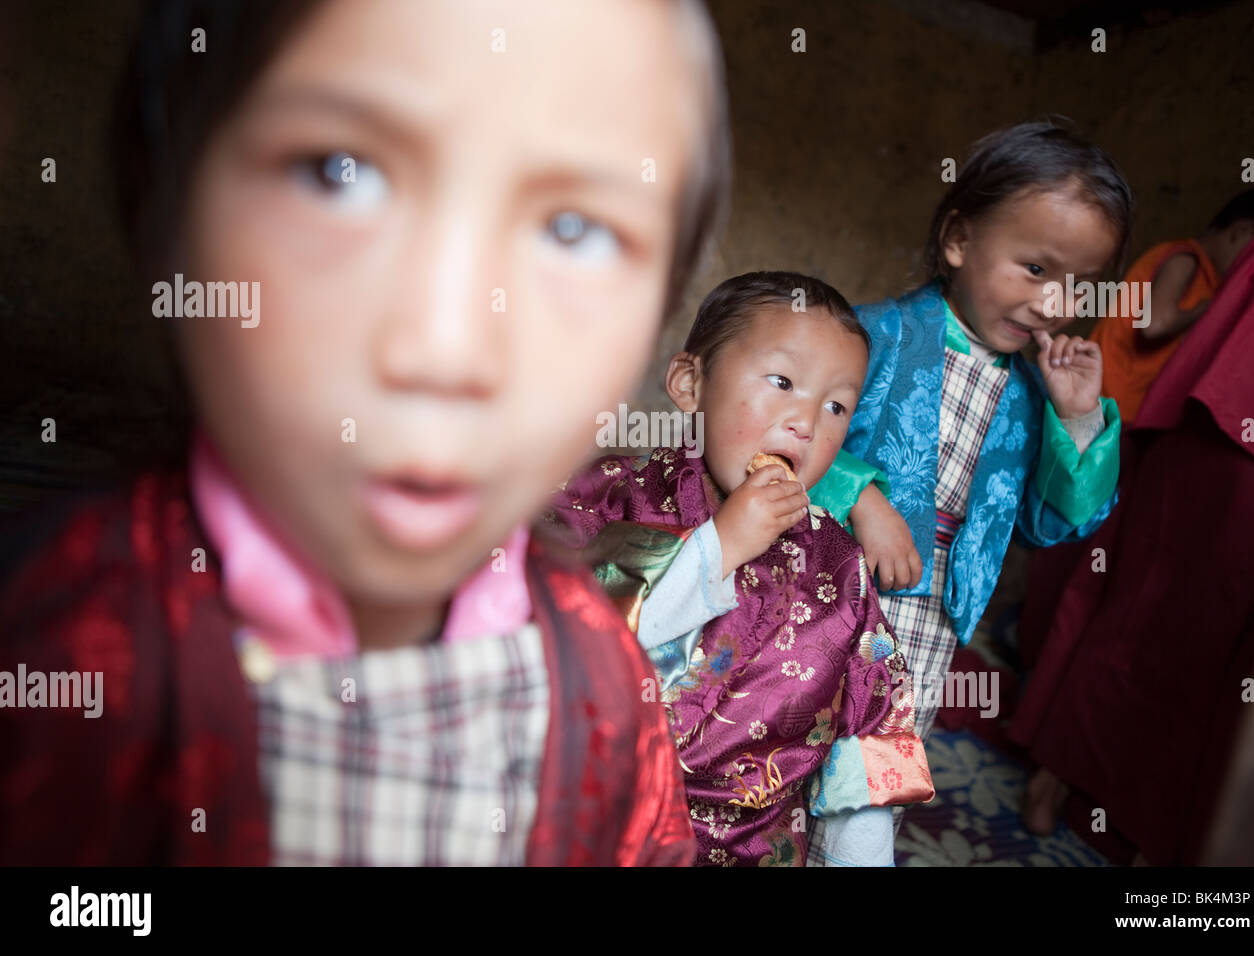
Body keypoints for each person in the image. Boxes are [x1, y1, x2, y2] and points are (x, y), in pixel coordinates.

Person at [0, 0, 731, 866]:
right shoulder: (50, 659)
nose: (448, 345)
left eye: (577, 230)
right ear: (165, 200)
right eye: (339, 172)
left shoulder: (602, 676)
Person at [547, 272, 932, 866]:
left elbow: (872, 734)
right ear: (690, 383)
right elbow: (568, 646)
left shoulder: (840, 566)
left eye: (836, 406)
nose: (807, 421)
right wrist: (720, 547)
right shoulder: (612, 496)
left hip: (752, 849)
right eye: (782, 382)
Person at [810, 119, 1131, 780]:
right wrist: (860, 497)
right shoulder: (873, 336)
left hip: (933, 620)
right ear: (958, 240)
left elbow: (1050, 524)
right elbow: (783, 437)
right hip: (824, 590)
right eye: (1036, 268)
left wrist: (1076, 419)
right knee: (785, 749)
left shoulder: (1034, 393)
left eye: (1077, 285)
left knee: (871, 783)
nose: (1052, 303)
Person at [1012, 199, 1254, 863]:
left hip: (1158, 430)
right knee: (1169, 629)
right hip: (1152, 428)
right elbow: (1151, 325)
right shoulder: (1183, 260)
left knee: (1124, 603)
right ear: (1234, 233)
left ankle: (1054, 781)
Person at [1091, 184, 1254, 422]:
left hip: (1121, 407)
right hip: (1108, 398)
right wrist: (1209, 309)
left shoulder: (1206, 278)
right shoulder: (1185, 258)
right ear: (1239, 232)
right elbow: (1154, 325)